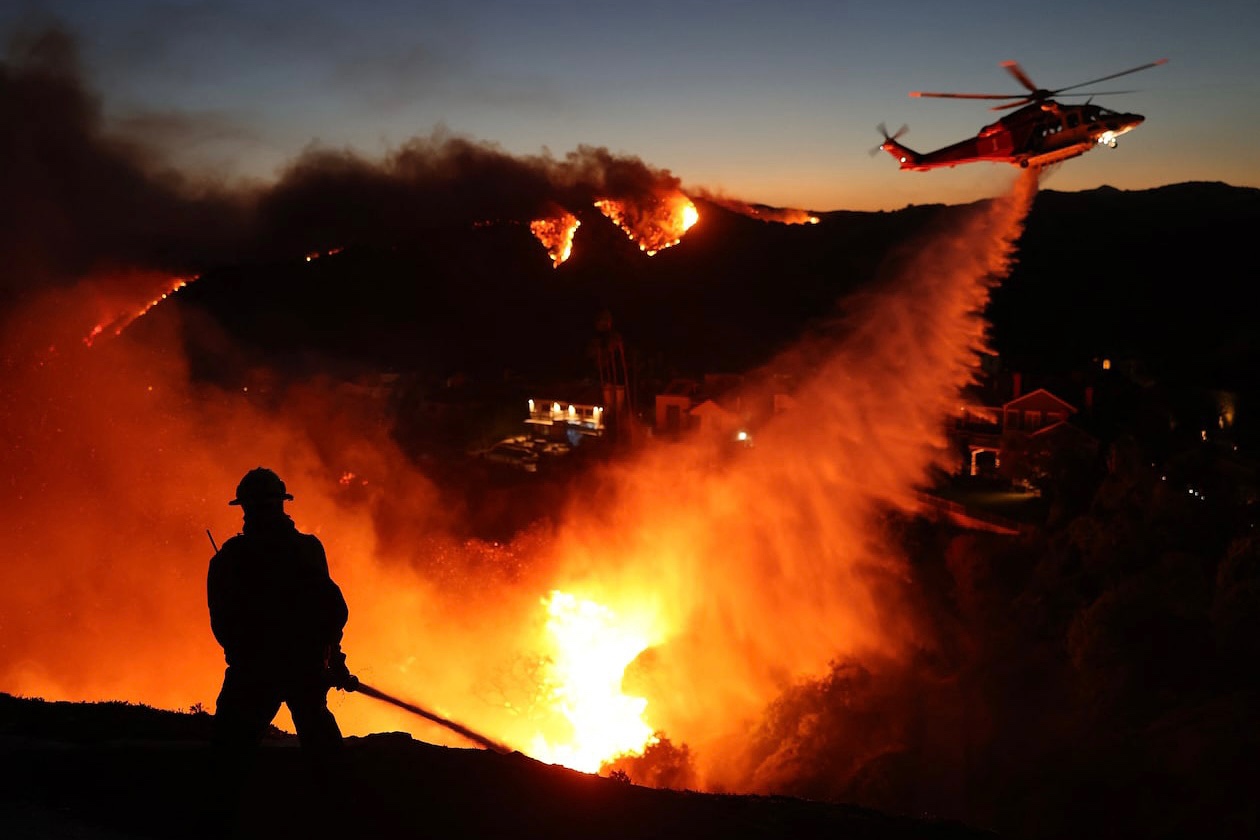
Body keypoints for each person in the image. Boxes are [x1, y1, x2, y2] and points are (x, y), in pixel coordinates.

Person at [207, 467, 354, 804]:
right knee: (323, 748)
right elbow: (331, 611)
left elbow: (223, 623)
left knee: (229, 757)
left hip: (255, 673)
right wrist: (330, 657)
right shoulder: (306, 549)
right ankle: (342, 815)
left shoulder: (231, 557)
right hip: (301, 669)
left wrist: (246, 657)